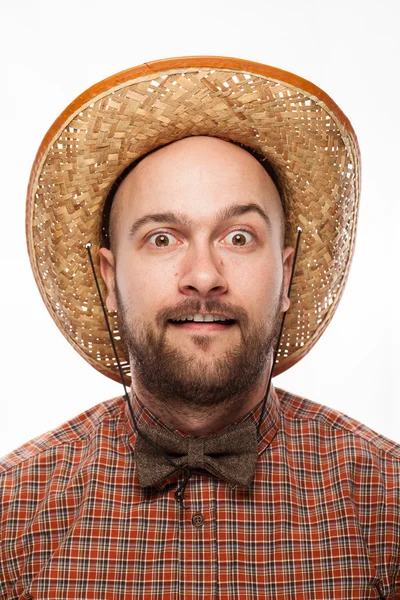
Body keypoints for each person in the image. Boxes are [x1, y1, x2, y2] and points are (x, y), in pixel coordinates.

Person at [1, 56, 399, 599]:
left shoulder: (388, 504)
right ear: (110, 281)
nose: (205, 276)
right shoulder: (12, 513)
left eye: (239, 237)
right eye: (163, 238)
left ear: (285, 277)